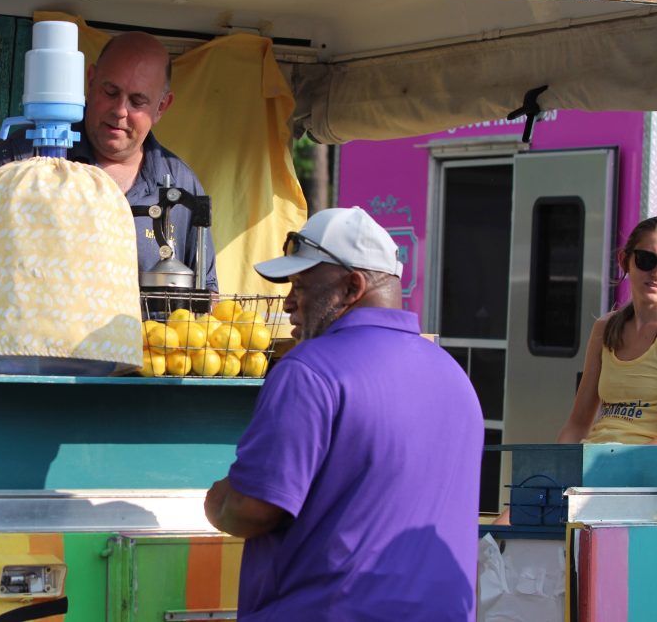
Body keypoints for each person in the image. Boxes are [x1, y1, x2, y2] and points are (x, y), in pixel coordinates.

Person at [204, 207, 483, 621]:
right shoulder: (455, 377)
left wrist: (217, 499)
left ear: (352, 287)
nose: (288, 303)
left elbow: (251, 509)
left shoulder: (308, 369)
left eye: (301, 286)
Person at [0, 30, 218, 353]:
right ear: (90, 80)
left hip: (135, 380)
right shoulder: (26, 156)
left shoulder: (181, 185)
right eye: (110, 91)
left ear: (162, 106)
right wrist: (18, 307)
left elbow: (209, 299)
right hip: (17, 372)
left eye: (137, 101)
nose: (120, 110)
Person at [558, 215, 657, 444]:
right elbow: (577, 425)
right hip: (596, 457)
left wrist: (625, 464)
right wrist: (558, 463)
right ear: (624, 260)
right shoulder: (605, 328)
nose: (655, 272)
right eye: (646, 260)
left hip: (642, 463)